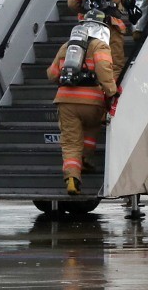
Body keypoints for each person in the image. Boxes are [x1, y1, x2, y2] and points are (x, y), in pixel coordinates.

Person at [46, 12, 117, 195]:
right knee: (92, 129)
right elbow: (104, 70)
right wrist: (111, 91)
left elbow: (52, 74)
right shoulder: (100, 46)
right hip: (92, 102)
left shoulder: (67, 47)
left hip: (66, 101)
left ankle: (72, 179)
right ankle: (86, 159)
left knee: (70, 142)